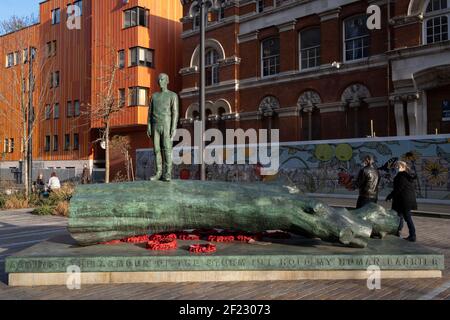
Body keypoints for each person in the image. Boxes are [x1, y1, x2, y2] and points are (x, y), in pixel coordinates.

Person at [147, 73, 179, 182]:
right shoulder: (154, 96)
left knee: (167, 149)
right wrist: (149, 126)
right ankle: (158, 172)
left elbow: (175, 113)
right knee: (156, 149)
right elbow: (150, 113)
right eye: (159, 79)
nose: (160, 81)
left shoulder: (172, 96)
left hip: (166, 125)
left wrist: (173, 128)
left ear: (167, 81)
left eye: (162, 79)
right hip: (155, 125)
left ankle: (168, 173)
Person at [386, 161, 417, 242]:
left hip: (404, 201)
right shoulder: (406, 175)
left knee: (407, 218)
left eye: (397, 166)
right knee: (399, 217)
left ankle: (412, 235)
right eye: (395, 166)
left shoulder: (401, 176)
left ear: (402, 167)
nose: (395, 168)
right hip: (404, 200)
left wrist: (390, 196)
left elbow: (398, 189)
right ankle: (397, 232)